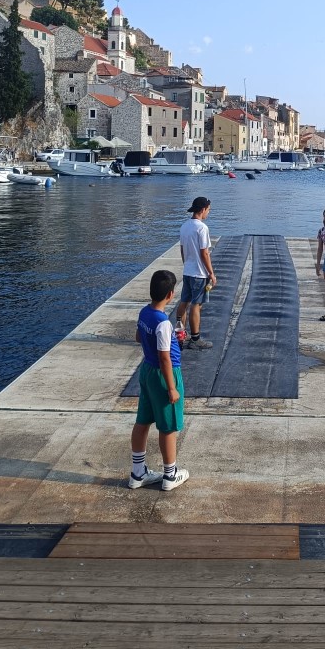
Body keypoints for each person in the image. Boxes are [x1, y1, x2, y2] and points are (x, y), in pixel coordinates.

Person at [128, 269, 189, 492]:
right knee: (168, 426)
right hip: (164, 375)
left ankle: (138, 473)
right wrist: (172, 388)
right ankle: (170, 475)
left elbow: (139, 337)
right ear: (170, 295)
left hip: (147, 371)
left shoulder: (144, 312)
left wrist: (170, 337)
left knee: (143, 420)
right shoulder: (163, 323)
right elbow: (165, 358)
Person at [175, 196, 217, 350]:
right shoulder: (202, 228)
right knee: (196, 304)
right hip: (199, 273)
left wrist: (186, 264)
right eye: (208, 210)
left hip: (188, 271)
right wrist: (211, 273)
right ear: (202, 209)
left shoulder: (184, 226)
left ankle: (179, 335)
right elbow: (204, 253)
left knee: (184, 302)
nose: (208, 213)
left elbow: (182, 249)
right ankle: (195, 338)